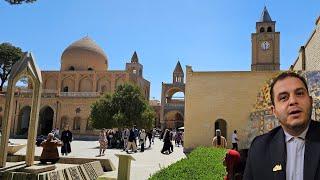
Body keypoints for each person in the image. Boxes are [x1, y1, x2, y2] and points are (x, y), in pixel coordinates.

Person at [244, 71, 320, 180]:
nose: (293, 101)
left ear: (310, 101)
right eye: (284, 97)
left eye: (299, 93)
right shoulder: (259, 148)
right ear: (274, 111)